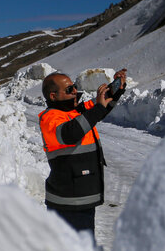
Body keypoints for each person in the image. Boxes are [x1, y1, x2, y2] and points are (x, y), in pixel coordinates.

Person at [38, 69, 127, 235]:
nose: (75, 92)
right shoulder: (49, 118)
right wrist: (98, 108)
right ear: (53, 96)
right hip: (68, 204)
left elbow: (100, 106)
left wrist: (117, 88)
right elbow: (70, 134)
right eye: (69, 89)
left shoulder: (75, 111)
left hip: (80, 199)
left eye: (75, 87)